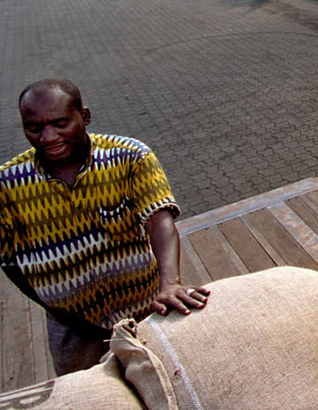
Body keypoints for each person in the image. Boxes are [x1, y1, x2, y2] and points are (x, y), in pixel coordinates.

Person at [0, 79, 209, 375]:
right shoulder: (8, 185)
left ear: (84, 117)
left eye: (60, 123)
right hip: (72, 331)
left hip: (147, 308)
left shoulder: (129, 156)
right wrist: (52, 304)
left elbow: (159, 219)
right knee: (93, 393)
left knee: (165, 375)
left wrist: (170, 283)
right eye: (34, 128)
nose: (48, 137)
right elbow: (7, 259)